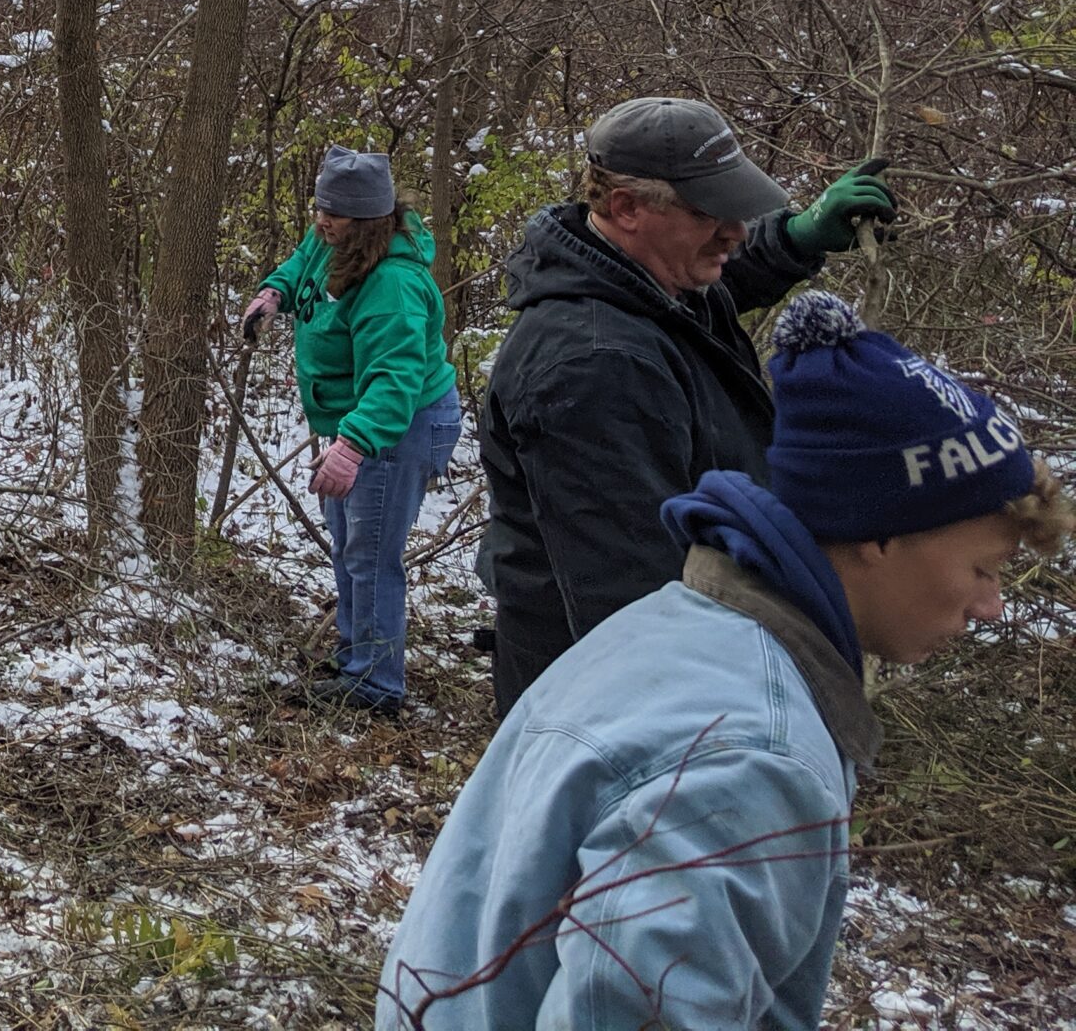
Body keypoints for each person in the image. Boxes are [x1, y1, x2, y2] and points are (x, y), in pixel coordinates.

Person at [379, 292, 1069, 1029]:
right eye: (985, 569)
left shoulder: (678, 628)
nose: (990, 605)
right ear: (883, 534)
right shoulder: (749, 754)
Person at [478, 96, 896, 712]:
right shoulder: (595, 367)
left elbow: (716, 282)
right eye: (711, 213)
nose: (735, 230)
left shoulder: (641, 276)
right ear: (628, 208)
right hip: (613, 700)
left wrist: (797, 237)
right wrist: (708, 720)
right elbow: (632, 594)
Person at [240, 147, 463, 716]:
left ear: (367, 221)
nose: (321, 221)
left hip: (398, 425)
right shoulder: (333, 238)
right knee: (349, 546)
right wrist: (274, 293)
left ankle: (376, 684)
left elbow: (395, 379)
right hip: (357, 421)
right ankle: (355, 657)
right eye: (320, 208)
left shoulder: (392, 285)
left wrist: (354, 444)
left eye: (333, 214)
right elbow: (301, 261)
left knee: (371, 556)